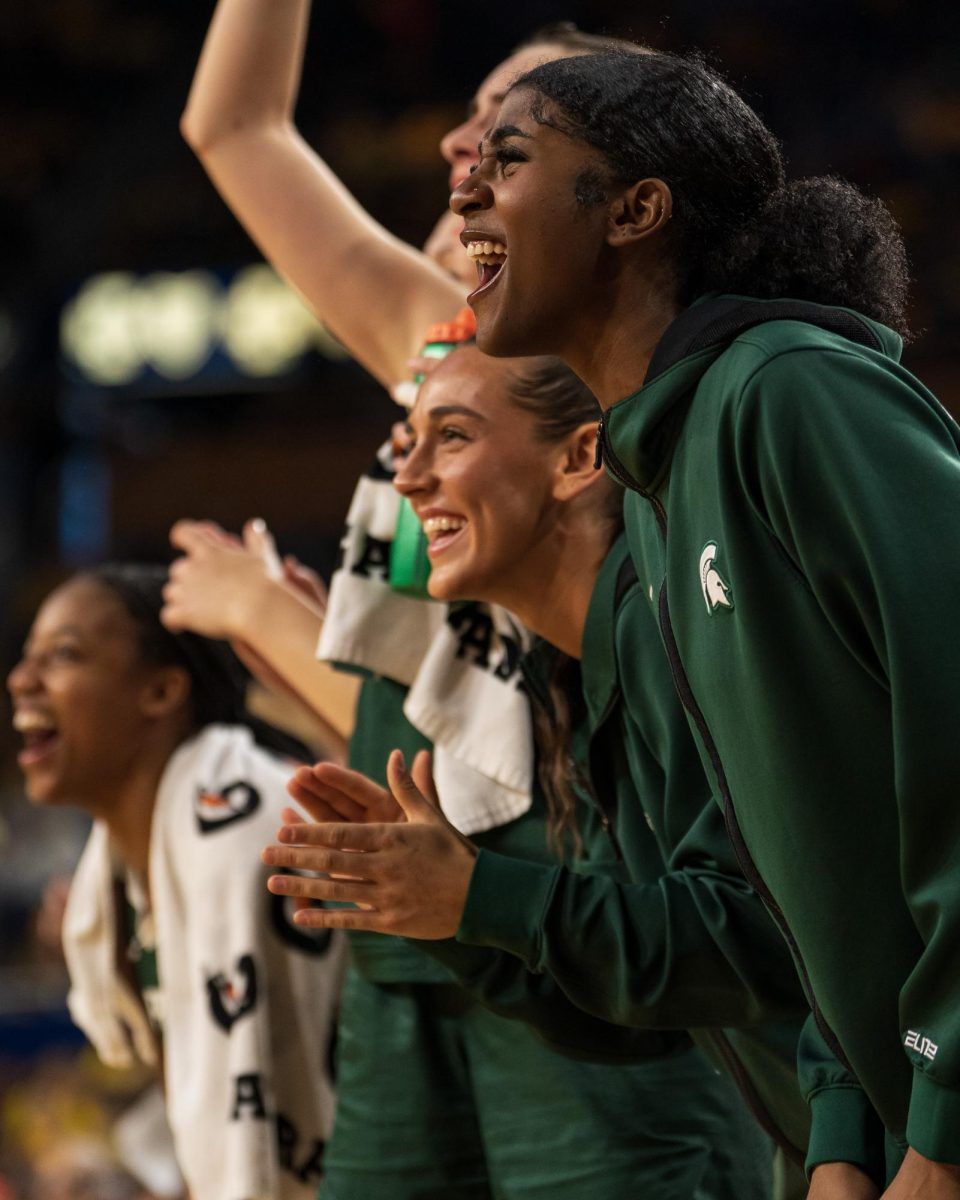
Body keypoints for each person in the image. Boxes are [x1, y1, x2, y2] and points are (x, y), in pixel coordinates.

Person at [175, 10, 778, 1199]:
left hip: (582, 917)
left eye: (513, 129)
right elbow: (232, 127)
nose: (466, 145)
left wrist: (261, 614)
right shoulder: (436, 350)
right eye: (474, 124)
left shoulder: (632, 387)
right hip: (417, 908)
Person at [441, 44, 960, 1196]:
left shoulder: (790, 393)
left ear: (634, 209)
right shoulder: (663, 498)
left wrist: (945, 1122)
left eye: (507, 156)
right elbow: (810, 892)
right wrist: (840, 1133)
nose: (466, 186)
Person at [257, 343, 886, 1200]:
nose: (405, 478)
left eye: (451, 436)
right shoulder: (582, 669)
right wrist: (449, 919)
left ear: (579, 457)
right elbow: (659, 1016)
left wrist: (481, 896)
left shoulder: (668, 631)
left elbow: (765, 939)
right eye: (408, 440)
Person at [7, 564, 343, 1200]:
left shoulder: (253, 834)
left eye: (64, 656)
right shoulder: (120, 881)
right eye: (27, 659)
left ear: (160, 692)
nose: (22, 682)